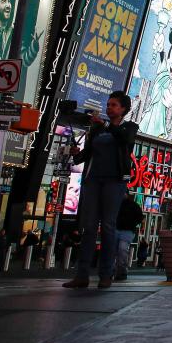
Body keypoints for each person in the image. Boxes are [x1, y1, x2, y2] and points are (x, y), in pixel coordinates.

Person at [63, 91, 137, 289]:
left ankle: (106, 274)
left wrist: (104, 125)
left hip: (114, 181)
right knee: (88, 227)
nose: (109, 108)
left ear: (123, 109)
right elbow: (88, 153)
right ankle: (82, 274)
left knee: (108, 227)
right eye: (109, 104)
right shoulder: (98, 130)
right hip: (93, 180)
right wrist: (76, 155)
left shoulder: (128, 127)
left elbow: (124, 140)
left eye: (114, 105)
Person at [115, 195, 144, 281]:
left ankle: (120, 271)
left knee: (121, 249)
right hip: (124, 229)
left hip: (125, 229)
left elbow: (140, 217)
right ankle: (119, 271)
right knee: (120, 250)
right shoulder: (133, 205)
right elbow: (140, 217)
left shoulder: (132, 205)